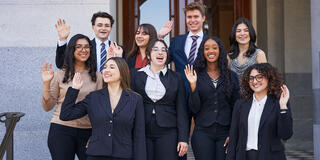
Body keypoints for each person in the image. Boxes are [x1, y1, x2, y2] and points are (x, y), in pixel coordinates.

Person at [60, 57, 146, 160]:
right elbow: (66, 115)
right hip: (96, 155)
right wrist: (74, 89)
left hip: (124, 155)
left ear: (122, 72)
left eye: (112, 67)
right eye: (105, 67)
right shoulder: (93, 97)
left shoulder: (135, 99)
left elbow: (139, 136)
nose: (106, 70)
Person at [41, 34, 102, 160]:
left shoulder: (98, 77)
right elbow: (47, 106)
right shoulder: (60, 74)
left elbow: (101, 109)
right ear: (71, 50)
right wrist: (46, 83)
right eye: (78, 47)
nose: (83, 50)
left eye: (86, 47)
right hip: (61, 129)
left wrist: (96, 135)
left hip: (88, 131)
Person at [130, 39, 189, 160]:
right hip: (142, 130)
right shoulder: (135, 75)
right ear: (148, 55)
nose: (160, 53)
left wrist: (183, 138)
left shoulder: (176, 77)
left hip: (168, 131)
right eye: (155, 50)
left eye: (163, 50)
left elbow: (182, 110)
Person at [185, 36, 240, 160]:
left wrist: (233, 133)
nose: (211, 51)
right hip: (202, 132)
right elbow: (194, 108)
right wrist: (193, 86)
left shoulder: (232, 76)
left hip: (225, 132)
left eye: (214, 48)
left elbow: (236, 107)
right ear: (202, 52)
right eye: (206, 48)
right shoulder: (195, 75)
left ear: (220, 51)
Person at [227, 63, 293, 160]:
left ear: (269, 78)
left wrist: (283, 107)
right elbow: (233, 136)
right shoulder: (240, 104)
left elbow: (286, 135)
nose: (255, 81)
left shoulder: (279, 103)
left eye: (259, 77)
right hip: (244, 156)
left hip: (271, 156)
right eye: (251, 78)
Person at [55, 12, 123, 72]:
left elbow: (123, 71)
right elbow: (60, 64)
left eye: (107, 26)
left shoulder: (118, 49)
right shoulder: (85, 47)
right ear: (93, 27)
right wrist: (63, 40)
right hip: (89, 84)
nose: (103, 28)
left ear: (111, 28)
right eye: (99, 25)